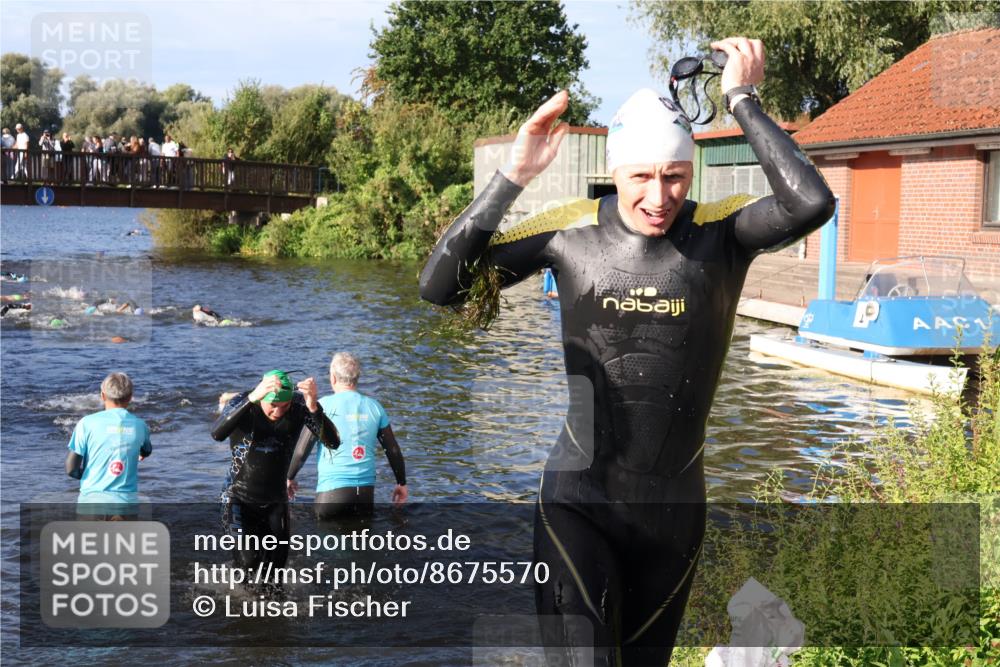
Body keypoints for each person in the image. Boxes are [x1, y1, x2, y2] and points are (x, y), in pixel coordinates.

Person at [419, 37, 835, 666]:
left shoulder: (719, 232)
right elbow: (439, 287)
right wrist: (513, 175)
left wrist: (742, 99)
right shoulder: (571, 231)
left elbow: (812, 202)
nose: (659, 196)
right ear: (614, 173)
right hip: (577, 506)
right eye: (641, 176)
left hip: (673, 518)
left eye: (674, 177)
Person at [211, 370, 339, 578]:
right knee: (249, 564)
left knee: (275, 574)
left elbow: (332, 442)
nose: (278, 412)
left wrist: (313, 406)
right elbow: (217, 433)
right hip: (237, 499)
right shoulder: (245, 402)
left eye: (284, 406)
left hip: (275, 501)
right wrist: (253, 397)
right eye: (273, 405)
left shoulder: (299, 405)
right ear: (261, 397)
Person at [288, 352, 407, 520]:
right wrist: (401, 483)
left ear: (333, 378)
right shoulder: (375, 407)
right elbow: (393, 450)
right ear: (356, 378)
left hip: (331, 495)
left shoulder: (322, 406)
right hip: (365, 495)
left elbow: (301, 451)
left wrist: (289, 477)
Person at [64, 372, 152, 517]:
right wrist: (141, 453)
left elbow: (70, 468)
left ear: (103, 396)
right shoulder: (139, 425)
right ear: (130, 397)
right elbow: (146, 450)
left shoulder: (86, 423)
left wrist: (88, 476)